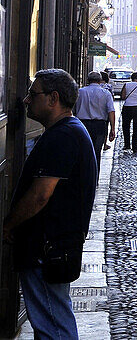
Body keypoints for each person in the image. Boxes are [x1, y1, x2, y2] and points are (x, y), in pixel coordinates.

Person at [2, 69, 97, 340]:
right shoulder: (68, 131)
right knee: (53, 319)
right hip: (53, 246)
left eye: (34, 94)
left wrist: (10, 223)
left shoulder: (63, 136)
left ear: (53, 98)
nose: (27, 101)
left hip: (46, 249)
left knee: (53, 326)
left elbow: (41, 194)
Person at [73, 72, 116, 167]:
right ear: (100, 81)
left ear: (88, 80)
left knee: (83, 152)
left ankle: (83, 177)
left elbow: (73, 109)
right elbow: (111, 111)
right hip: (99, 126)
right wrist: (112, 129)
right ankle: (94, 177)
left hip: (82, 125)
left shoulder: (80, 92)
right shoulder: (106, 93)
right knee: (96, 152)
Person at [119, 72, 137, 154]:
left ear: (131, 78)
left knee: (126, 126)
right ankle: (135, 147)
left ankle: (127, 144)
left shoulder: (126, 85)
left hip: (127, 107)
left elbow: (123, 96)